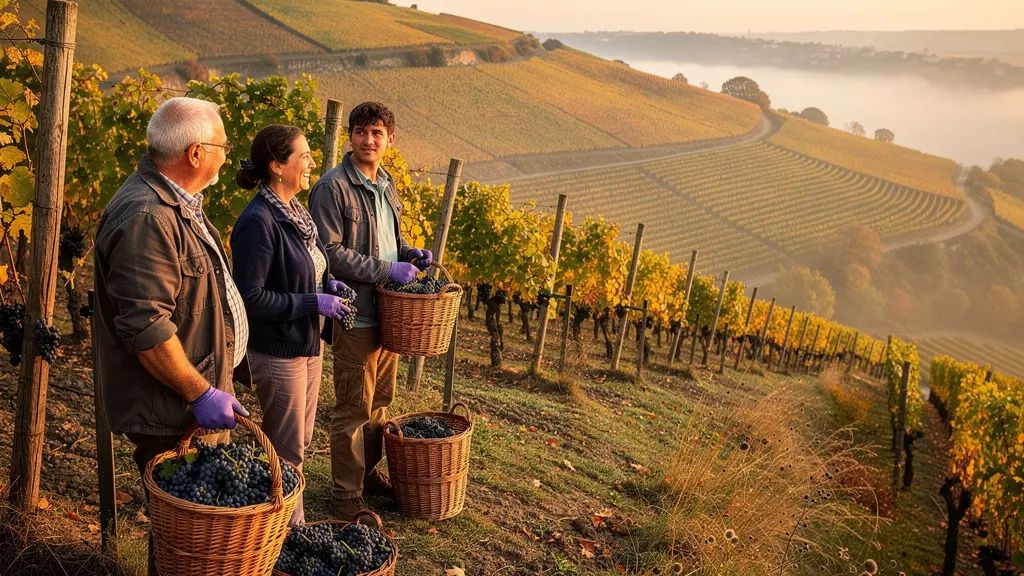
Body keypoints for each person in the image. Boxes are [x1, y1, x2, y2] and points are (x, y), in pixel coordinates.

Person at [93, 97, 250, 575]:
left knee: (194, 534)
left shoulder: (175, 202)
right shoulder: (148, 216)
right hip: (172, 408)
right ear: (196, 153)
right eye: (222, 145)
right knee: (183, 535)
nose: (228, 154)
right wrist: (201, 391)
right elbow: (146, 327)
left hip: (192, 396)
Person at [309, 101, 431, 520]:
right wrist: (386, 269)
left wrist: (409, 254)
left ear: (390, 140)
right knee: (352, 409)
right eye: (361, 131)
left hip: (390, 315)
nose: (369, 140)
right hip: (354, 313)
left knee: (380, 401)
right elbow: (329, 253)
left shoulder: (387, 183)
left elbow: (387, 240)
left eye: (377, 133)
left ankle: (366, 476)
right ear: (350, 136)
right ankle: (345, 497)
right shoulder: (332, 187)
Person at [230, 124, 354, 525]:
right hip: (276, 349)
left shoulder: (298, 214)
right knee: (286, 449)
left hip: (307, 343)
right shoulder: (259, 222)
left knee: (298, 443)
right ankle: (285, 534)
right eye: (303, 157)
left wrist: (327, 282)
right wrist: (312, 301)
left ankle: (285, 527)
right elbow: (251, 297)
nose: (311, 163)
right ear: (277, 166)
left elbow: (308, 267)